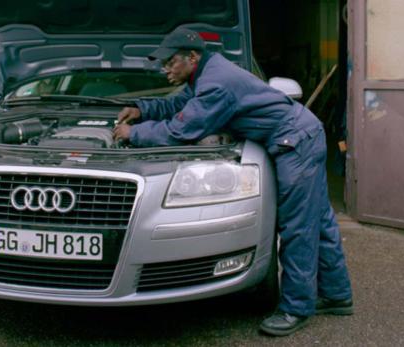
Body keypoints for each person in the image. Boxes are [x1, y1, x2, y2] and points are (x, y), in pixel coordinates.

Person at [113, 27, 353, 337]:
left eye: (170, 62)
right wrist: (142, 108)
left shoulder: (215, 83)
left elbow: (180, 129)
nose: (165, 69)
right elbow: (178, 104)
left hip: (295, 143)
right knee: (318, 220)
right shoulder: (206, 72)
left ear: (191, 57)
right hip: (304, 134)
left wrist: (134, 134)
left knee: (298, 227)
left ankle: (296, 308)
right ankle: (337, 295)